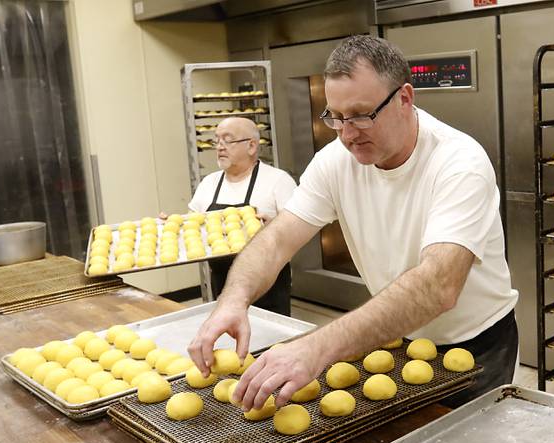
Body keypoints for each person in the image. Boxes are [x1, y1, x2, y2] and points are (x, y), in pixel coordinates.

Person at [187, 35, 518, 411]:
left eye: (361, 115)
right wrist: (234, 299)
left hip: (476, 345)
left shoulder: (459, 163)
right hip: (395, 335)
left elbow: (439, 284)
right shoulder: (335, 161)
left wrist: (316, 347)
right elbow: (278, 238)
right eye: (335, 117)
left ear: (405, 98)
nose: (347, 133)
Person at [188, 116, 296, 315]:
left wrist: (275, 229)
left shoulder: (278, 181)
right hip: (223, 285)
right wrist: (169, 226)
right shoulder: (209, 184)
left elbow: (298, 234)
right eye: (216, 140)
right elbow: (192, 229)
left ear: (252, 146)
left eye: (227, 140)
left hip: (268, 288)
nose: (219, 147)